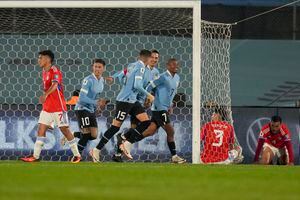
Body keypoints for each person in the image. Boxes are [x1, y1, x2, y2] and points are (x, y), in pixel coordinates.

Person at [89, 49, 154, 162]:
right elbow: (138, 85)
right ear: (148, 59)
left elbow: (122, 73)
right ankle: (96, 149)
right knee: (114, 128)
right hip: (125, 101)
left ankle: (125, 139)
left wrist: (113, 77)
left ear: (139, 56)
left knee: (146, 122)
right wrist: (149, 95)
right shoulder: (141, 68)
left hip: (133, 101)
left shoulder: (132, 65)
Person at [118, 58, 186, 163]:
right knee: (170, 131)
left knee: (150, 132)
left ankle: (126, 138)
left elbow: (171, 93)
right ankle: (174, 156)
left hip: (165, 108)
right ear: (168, 65)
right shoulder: (162, 77)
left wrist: (170, 105)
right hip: (159, 108)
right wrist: (148, 98)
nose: (176, 66)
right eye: (173, 64)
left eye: (177, 64)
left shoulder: (177, 77)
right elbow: (150, 85)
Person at [20, 50, 81, 163]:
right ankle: (35, 156)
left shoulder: (54, 70)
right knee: (41, 129)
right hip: (47, 107)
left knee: (65, 130)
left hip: (58, 106)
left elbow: (55, 85)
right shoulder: (44, 71)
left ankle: (77, 155)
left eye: (40, 58)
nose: (38, 60)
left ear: (47, 59)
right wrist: (46, 97)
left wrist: (46, 94)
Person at [111, 49, 160, 162]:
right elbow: (122, 75)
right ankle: (123, 137)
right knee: (144, 124)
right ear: (148, 58)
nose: (154, 59)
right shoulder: (137, 66)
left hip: (140, 102)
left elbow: (153, 88)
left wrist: (149, 98)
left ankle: (118, 154)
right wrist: (113, 78)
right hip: (132, 101)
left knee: (135, 129)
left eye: (156, 58)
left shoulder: (156, 72)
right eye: (152, 57)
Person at [61, 59, 108, 156]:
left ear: (104, 68)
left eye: (99, 67)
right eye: (95, 66)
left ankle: (73, 134)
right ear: (92, 67)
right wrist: (97, 102)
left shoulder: (102, 80)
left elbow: (96, 96)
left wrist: (97, 107)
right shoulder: (88, 80)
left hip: (90, 109)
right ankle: (77, 156)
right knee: (86, 135)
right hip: (82, 109)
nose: (97, 69)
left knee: (93, 135)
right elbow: (81, 98)